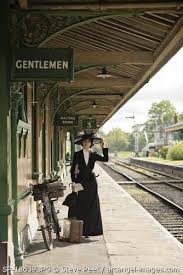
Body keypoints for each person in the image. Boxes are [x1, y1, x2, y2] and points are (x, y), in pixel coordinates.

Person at [70, 133, 108, 238]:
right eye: (85, 141)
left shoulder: (93, 154)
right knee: (81, 205)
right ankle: (82, 230)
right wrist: (73, 182)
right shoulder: (77, 154)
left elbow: (106, 159)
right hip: (80, 182)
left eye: (88, 142)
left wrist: (103, 147)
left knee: (92, 206)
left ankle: (92, 230)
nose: (86, 143)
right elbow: (73, 170)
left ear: (91, 144)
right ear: (82, 143)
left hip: (91, 183)